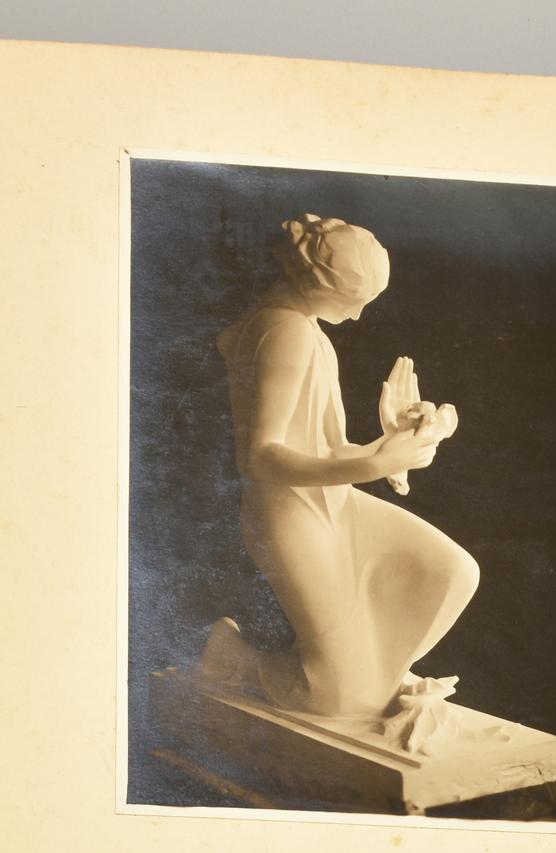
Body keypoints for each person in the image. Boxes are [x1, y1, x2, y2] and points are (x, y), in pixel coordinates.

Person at [201, 213, 478, 753]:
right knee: (336, 701)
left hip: (331, 500)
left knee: (451, 571)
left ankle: (375, 677)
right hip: (288, 514)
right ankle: (232, 657)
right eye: (353, 301)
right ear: (317, 283)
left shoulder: (310, 333)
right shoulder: (283, 331)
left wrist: (394, 442)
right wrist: (375, 464)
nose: (357, 314)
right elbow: (260, 457)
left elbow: (328, 449)